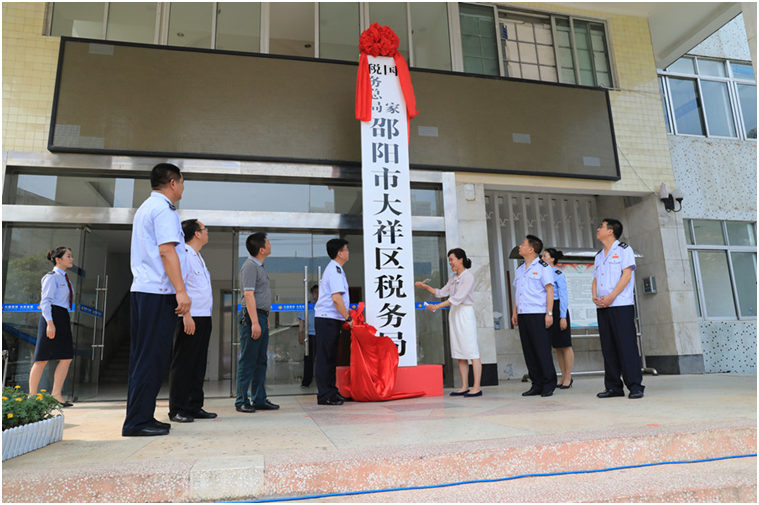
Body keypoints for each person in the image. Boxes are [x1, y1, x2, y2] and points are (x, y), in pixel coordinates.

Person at [123, 162, 190, 437]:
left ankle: (142, 416)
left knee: (144, 358)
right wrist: (181, 291)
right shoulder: (163, 209)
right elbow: (167, 252)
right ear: (173, 183)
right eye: (182, 182)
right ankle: (137, 422)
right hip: (156, 293)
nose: (183, 187)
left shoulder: (145, 208)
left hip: (144, 291)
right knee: (151, 358)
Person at [168, 219, 217, 423]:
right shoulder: (184, 255)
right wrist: (186, 315)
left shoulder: (198, 257)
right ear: (197, 234)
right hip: (190, 316)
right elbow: (180, 286)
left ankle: (194, 405)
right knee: (184, 363)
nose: (207, 233)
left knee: (198, 364)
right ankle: (178, 408)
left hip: (204, 316)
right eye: (205, 230)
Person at [415, 248, 482, 397]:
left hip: (465, 313)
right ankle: (464, 386)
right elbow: (442, 292)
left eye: (452, 259)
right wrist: (425, 287)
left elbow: (458, 298)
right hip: (455, 314)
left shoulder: (468, 276)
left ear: (461, 259)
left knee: (472, 350)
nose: (450, 262)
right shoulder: (453, 277)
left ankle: (476, 386)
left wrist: (437, 306)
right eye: (449, 260)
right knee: (460, 350)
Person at [593, 219, 644, 399]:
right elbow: (595, 279)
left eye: (601, 227)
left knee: (626, 346)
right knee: (608, 347)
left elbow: (627, 275)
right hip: (603, 306)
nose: (598, 229)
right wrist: (595, 297)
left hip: (620, 305)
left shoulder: (624, 250)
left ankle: (635, 385)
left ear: (611, 231)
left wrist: (612, 296)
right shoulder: (599, 255)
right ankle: (614, 387)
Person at [235, 232, 279, 413]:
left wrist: (263, 319)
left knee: (261, 360)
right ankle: (241, 400)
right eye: (268, 242)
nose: (270, 245)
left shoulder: (259, 266)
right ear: (261, 249)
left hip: (260, 316)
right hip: (251, 316)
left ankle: (259, 398)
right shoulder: (250, 267)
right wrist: (254, 322)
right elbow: (248, 294)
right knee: (248, 359)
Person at [511, 235, 557, 397]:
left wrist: (549, 313)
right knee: (529, 350)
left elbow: (550, 290)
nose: (520, 247)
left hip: (539, 314)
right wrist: (514, 312)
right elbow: (518, 293)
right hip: (524, 314)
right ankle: (536, 383)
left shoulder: (543, 267)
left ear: (531, 249)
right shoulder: (519, 268)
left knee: (542, 349)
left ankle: (548, 384)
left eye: (523, 244)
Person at [29, 247, 75, 407]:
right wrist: (50, 323)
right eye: (68, 256)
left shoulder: (65, 278)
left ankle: (56, 394)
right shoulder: (51, 278)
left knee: (66, 357)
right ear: (58, 259)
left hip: (62, 316)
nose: (72, 259)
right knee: (42, 358)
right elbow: (45, 302)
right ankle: (32, 397)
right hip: (51, 316)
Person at [314, 238, 353, 406]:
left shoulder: (336, 269)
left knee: (330, 358)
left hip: (331, 319)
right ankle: (324, 395)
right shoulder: (335, 270)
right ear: (340, 253)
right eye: (346, 249)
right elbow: (336, 299)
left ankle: (331, 391)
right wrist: (348, 318)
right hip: (327, 319)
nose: (348, 252)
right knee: (325, 358)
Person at [541, 248, 574, 389]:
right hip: (547, 308)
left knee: (565, 345)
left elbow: (563, 296)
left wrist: (562, 317)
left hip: (558, 307)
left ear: (552, 259)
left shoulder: (558, 274)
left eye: (544, 255)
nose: (542, 258)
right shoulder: (542, 273)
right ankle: (562, 376)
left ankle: (568, 377)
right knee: (557, 346)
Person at [298, 285, 318, 388]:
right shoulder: (308, 305)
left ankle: (321, 382)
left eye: (319, 292)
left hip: (321, 335)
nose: (317, 294)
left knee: (321, 359)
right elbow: (302, 321)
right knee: (308, 359)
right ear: (311, 293)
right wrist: (300, 335)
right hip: (309, 335)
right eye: (315, 292)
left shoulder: (324, 305)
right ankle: (306, 382)